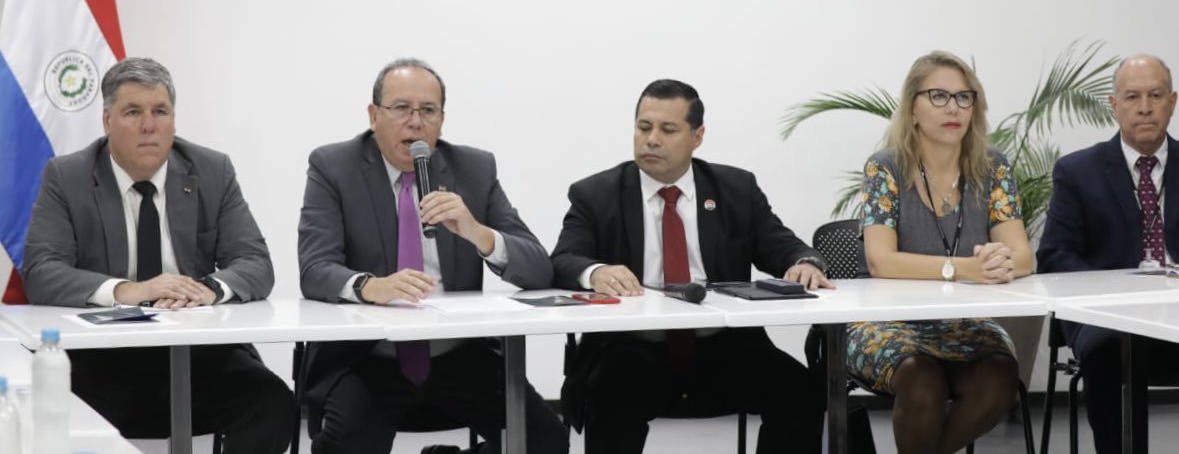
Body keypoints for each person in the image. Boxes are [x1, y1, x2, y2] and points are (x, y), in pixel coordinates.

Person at [22, 57, 293, 453]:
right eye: (133, 112)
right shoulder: (68, 176)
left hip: (200, 356)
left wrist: (209, 290)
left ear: (174, 120)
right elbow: (41, 272)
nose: (149, 125)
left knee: (271, 405)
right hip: (102, 361)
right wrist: (129, 290)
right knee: (54, 409)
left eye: (160, 111)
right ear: (106, 120)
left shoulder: (211, 170)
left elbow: (254, 262)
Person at [298, 57, 568, 454]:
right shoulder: (333, 167)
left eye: (428, 110)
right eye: (401, 108)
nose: (416, 121)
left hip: (458, 354)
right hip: (369, 356)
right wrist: (371, 287)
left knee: (546, 441)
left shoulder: (474, 168)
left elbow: (539, 268)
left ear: (442, 120)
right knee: (345, 445)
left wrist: (478, 233)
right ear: (374, 115)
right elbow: (315, 268)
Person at [551, 78, 831, 454]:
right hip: (631, 348)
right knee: (610, 397)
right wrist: (596, 272)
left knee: (802, 392)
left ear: (697, 136)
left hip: (724, 346)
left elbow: (782, 245)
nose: (652, 139)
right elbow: (564, 259)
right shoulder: (595, 194)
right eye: (643, 127)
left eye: (668, 130)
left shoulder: (735, 188)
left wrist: (805, 262)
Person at [849, 50, 1032, 454]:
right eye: (938, 96)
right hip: (885, 322)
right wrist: (965, 268)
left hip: (964, 323)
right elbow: (882, 261)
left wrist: (1000, 264)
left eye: (964, 97)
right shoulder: (886, 167)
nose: (953, 108)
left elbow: (1022, 256)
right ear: (912, 108)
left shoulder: (992, 167)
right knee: (920, 378)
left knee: (1000, 376)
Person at [1037, 53, 1179, 454]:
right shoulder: (1077, 172)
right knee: (1112, 349)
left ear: (1172, 102)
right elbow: (1055, 256)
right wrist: (1120, 291)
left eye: (1155, 96)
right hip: (1107, 318)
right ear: (1114, 104)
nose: (1144, 107)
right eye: (1132, 96)